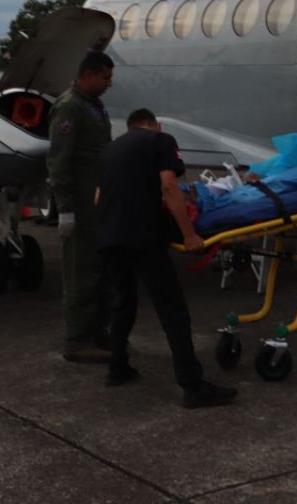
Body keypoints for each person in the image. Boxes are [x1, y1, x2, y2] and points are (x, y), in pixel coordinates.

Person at [96, 108, 237, 409]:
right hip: (141, 238)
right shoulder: (160, 140)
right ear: (155, 126)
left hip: (108, 236)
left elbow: (98, 198)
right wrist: (188, 235)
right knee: (173, 311)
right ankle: (193, 386)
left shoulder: (110, 150)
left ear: (129, 129)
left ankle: (116, 368)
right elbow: (170, 186)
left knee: (123, 301)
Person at [47, 51, 116, 363]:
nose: (109, 84)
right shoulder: (69, 107)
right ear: (88, 75)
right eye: (105, 77)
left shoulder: (91, 104)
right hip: (80, 205)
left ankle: (98, 332)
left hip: (98, 204)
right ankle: (76, 340)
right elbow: (59, 163)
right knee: (81, 273)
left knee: (101, 272)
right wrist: (65, 208)